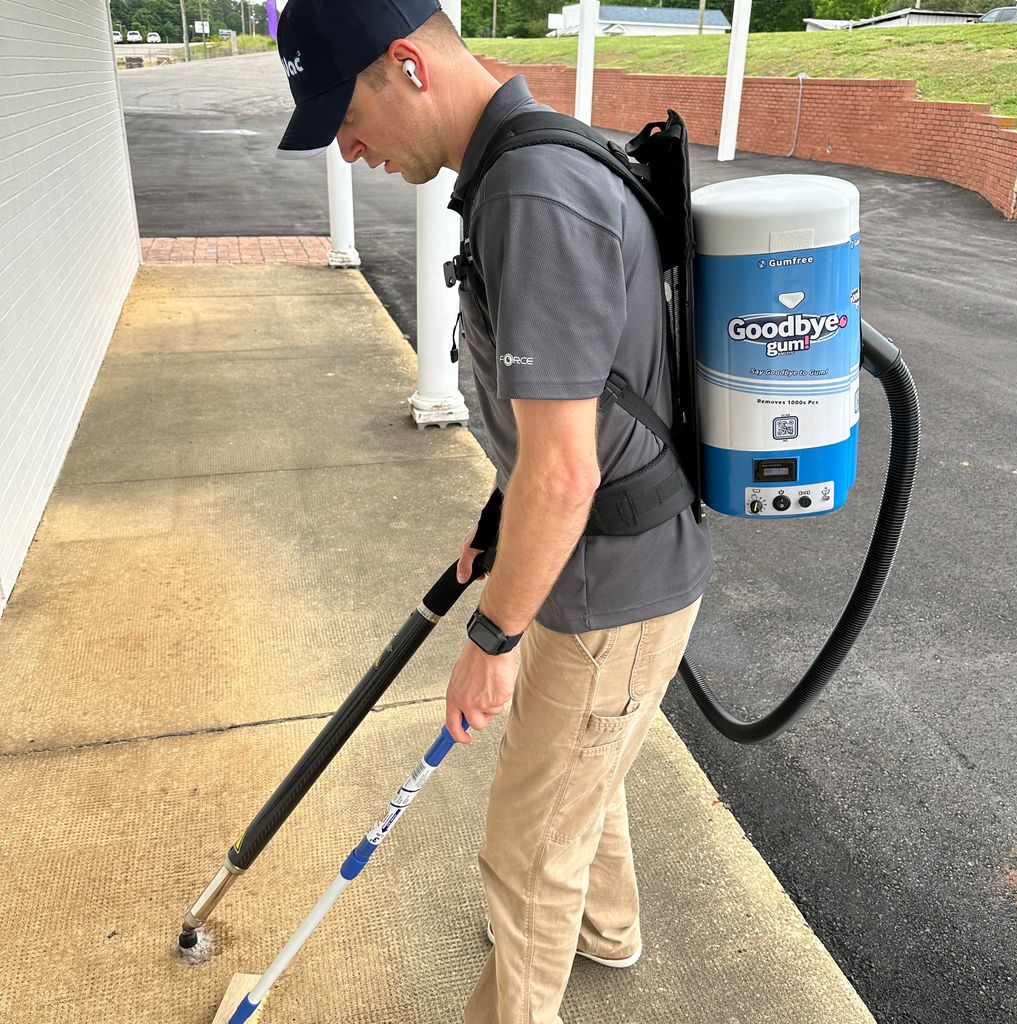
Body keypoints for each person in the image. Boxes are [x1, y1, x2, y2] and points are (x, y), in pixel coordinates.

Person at [275, 2, 714, 1021]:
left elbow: (565, 474)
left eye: (344, 117)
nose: (346, 149)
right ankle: (605, 929)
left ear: (405, 68)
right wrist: (497, 511)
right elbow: (576, 407)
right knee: (569, 776)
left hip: (611, 581)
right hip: (607, 564)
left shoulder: (533, 193)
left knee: (525, 851)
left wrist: (492, 634)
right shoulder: (527, 165)